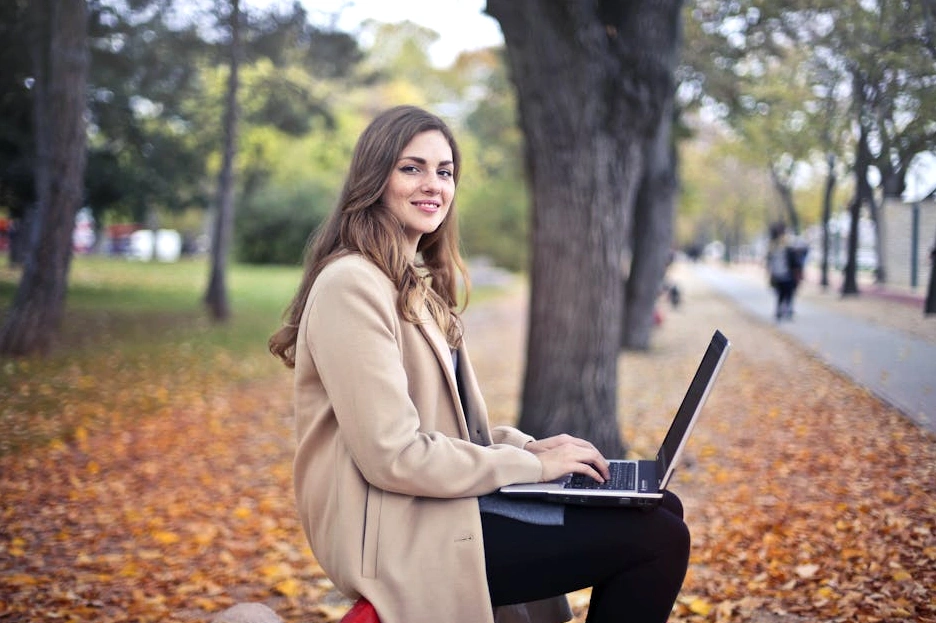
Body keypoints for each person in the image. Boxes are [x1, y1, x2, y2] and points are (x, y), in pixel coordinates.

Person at [269, 105, 690, 623]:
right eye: (412, 167)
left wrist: (529, 447)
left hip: (437, 506)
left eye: (444, 172)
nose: (433, 185)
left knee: (660, 507)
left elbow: (455, 431)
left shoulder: (408, 281)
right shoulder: (351, 285)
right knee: (659, 537)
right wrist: (534, 469)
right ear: (374, 178)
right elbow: (393, 454)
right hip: (395, 532)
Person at [766, 222, 805, 320]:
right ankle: (784, 310)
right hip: (783, 274)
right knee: (785, 293)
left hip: (784, 273)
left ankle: (784, 310)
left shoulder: (776, 244)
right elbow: (794, 260)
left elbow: (794, 260)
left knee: (784, 293)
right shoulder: (783, 244)